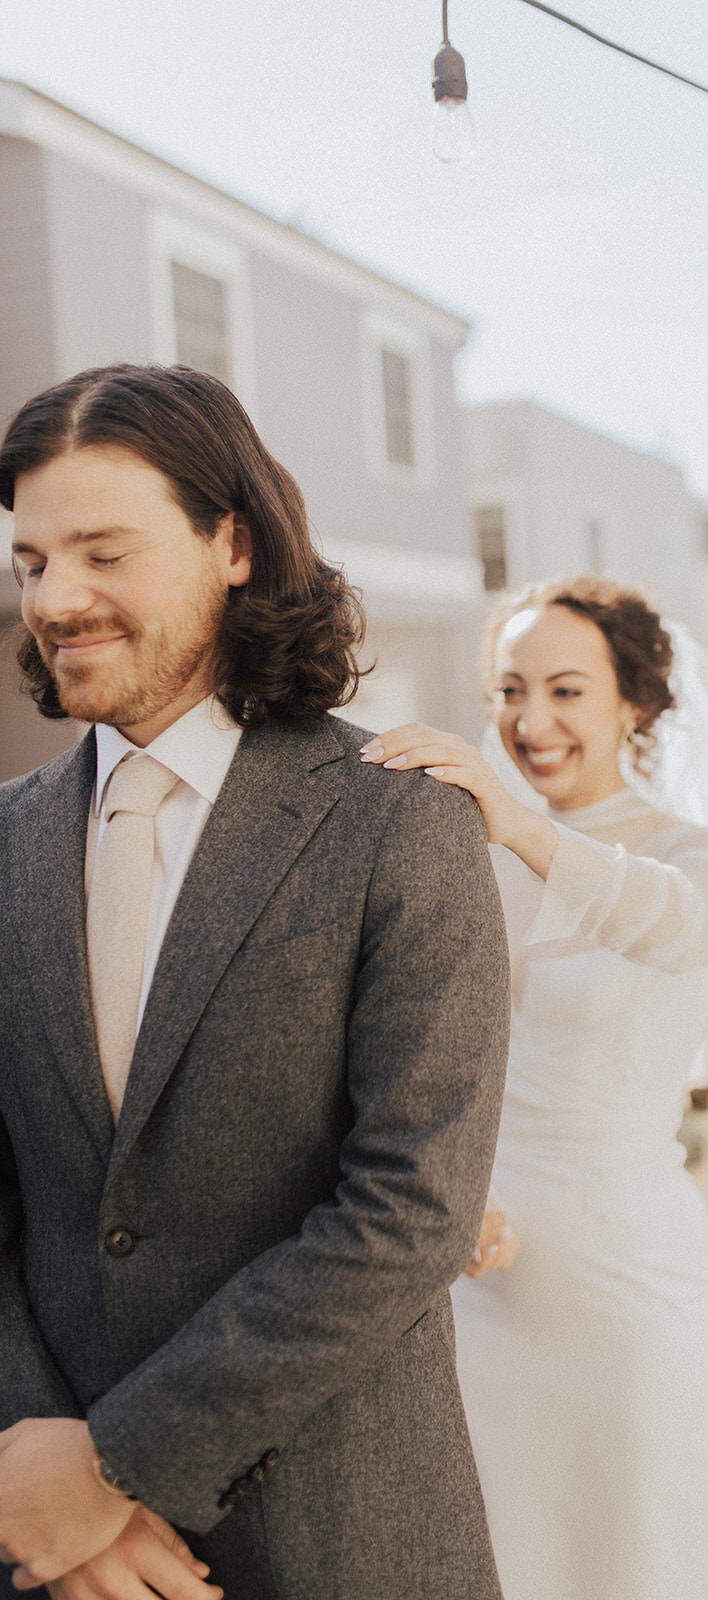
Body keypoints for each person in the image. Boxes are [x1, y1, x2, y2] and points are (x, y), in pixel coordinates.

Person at [0, 364, 510, 1600]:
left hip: (341, 1536)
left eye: (102, 552)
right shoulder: (4, 843)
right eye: (30, 562)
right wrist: (33, 1467)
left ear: (230, 542)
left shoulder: (398, 824)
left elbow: (410, 1210)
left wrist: (113, 1467)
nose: (56, 598)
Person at [360, 577, 708, 1600]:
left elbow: (677, 927)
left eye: (565, 690)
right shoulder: (464, 857)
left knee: (636, 1565)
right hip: (481, 1292)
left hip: (631, 1300)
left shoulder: (699, 856)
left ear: (634, 702)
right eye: (508, 688)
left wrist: (514, 823)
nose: (529, 721)